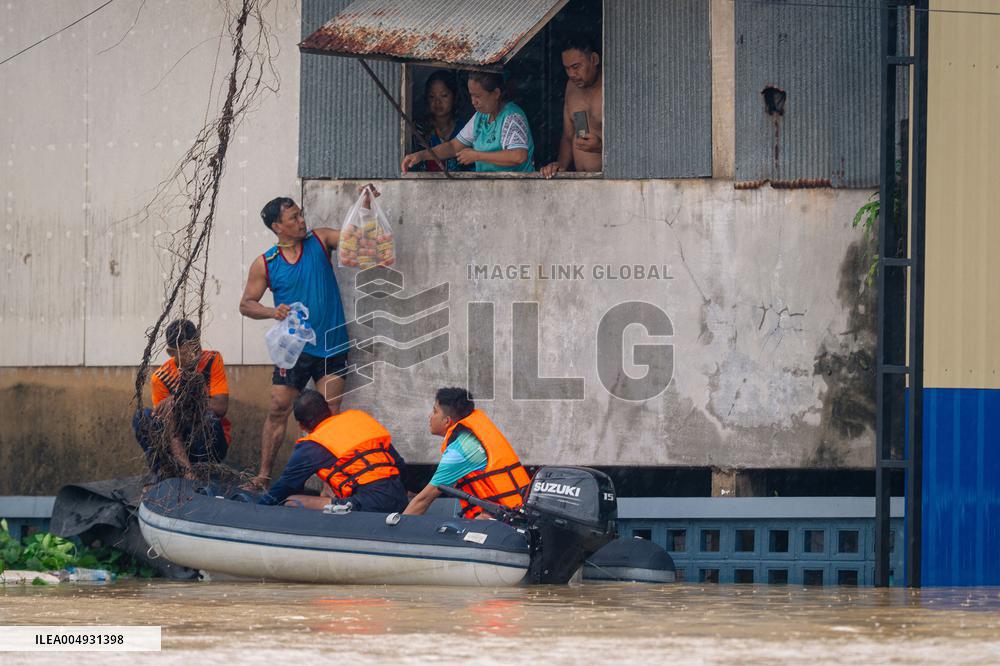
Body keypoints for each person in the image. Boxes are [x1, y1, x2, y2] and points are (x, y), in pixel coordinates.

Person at [239, 190, 376, 490]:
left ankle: (330, 486)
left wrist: (363, 210)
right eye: (294, 217)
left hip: (332, 343)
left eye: (301, 214)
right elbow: (246, 304)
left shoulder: (320, 240)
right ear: (278, 226)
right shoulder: (266, 263)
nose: (302, 220)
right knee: (278, 407)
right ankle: (263, 476)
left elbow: (355, 240)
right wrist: (271, 311)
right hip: (295, 350)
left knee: (329, 416)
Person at [259, 390, 408, 513]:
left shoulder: (311, 445)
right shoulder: (359, 419)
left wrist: (256, 508)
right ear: (329, 410)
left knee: (292, 501)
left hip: (368, 504)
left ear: (302, 426)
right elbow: (399, 465)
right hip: (400, 498)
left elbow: (284, 487)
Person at [403, 388, 531, 519]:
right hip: (518, 512)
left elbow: (423, 500)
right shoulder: (473, 435)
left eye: (435, 411)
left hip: (507, 520)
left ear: (447, 421)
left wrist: (397, 529)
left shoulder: (460, 451)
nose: (429, 416)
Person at [133, 319, 230, 480]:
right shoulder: (161, 377)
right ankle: (164, 472)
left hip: (210, 444)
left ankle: (204, 473)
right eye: (186, 352)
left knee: (209, 419)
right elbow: (170, 430)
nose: (195, 356)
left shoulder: (212, 359)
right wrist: (186, 469)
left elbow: (220, 407)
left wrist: (180, 399)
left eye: (197, 348)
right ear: (171, 353)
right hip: (179, 442)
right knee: (142, 417)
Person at [401, 72, 534, 174]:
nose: (473, 102)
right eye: (471, 95)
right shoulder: (480, 117)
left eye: (478, 96)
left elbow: (518, 155)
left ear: (496, 93)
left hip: (517, 191)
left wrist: (477, 155)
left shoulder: (512, 116)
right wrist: (421, 155)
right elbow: (453, 147)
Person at [541, 34, 603, 178]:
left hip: (611, 182)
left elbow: (635, 141)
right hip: (578, 181)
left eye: (576, 67)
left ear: (594, 59)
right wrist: (560, 165)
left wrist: (602, 147)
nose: (571, 74)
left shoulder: (611, 86)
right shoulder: (571, 87)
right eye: (567, 68)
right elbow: (569, 136)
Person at [412, 70, 470, 173]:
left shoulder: (465, 129)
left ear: (454, 96)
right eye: (432, 96)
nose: (437, 102)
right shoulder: (419, 130)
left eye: (444, 95)